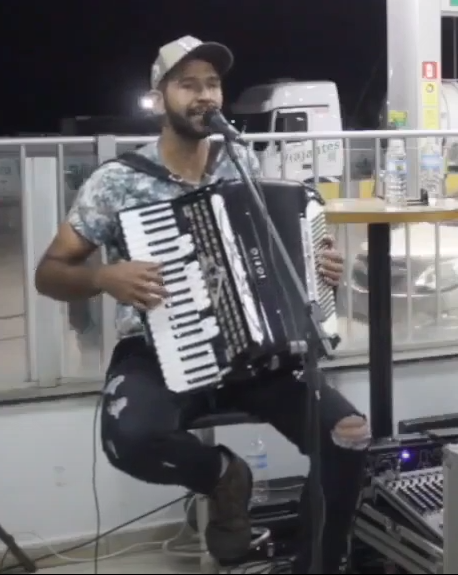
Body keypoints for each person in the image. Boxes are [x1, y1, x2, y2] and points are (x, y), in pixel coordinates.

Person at [32, 35, 370, 574]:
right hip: (155, 348)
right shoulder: (117, 182)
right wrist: (104, 277)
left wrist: (318, 267)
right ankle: (222, 476)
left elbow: (285, 255)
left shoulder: (244, 171)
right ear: (160, 95)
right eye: (188, 84)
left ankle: (319, 566)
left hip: (255, 353)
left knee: (348, 437)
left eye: (212, 83)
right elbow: (49, 273)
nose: (204, 95)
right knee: (130, 439)